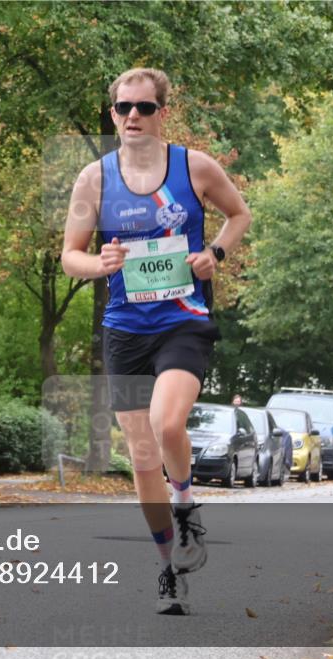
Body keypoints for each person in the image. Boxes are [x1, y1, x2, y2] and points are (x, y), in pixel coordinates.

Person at [61, 68, 252, 615]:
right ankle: (170, 567)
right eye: (123, 109)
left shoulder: (194, 167)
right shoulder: (93, 180)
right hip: (125, 328)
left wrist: (212, 255)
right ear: (114, 114)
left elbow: (239, 215)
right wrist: (100, 262)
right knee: (143, 457)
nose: (133, 118)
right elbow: (70, 254)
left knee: (168, 425)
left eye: (144, 108)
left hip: (182, 321)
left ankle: (186, 503)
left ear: (162, 112)